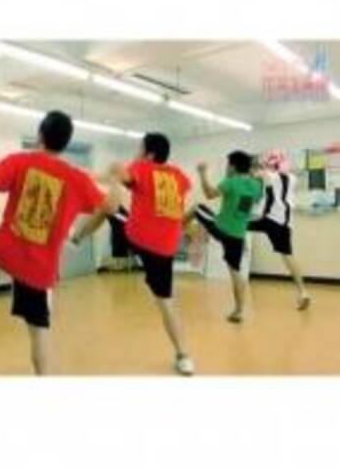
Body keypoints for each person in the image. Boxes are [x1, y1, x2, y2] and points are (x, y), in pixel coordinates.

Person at [0, 110, 117, 375]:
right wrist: (114, 181)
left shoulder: (21, 161)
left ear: (40, 134)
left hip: (6, 252)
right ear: (65, 143)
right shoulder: (77, 179)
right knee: (39, 333)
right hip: (39, 272)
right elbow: (111, 207)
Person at [80, 132, 195, 376]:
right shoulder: (179, 176)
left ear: (149, 154)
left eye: (139, 148)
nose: (136, 152)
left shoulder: (141, 167)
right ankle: (184, 356)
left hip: (139, 237)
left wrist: (102, 172)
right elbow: (178, 191)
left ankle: (76, 239)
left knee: (108, 207)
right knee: (166, 303)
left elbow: (116, 176)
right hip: (166, 248)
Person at [186, 151, 264, 324]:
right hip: (238, 235)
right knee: (236, 272)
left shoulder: (231, 182)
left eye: (228, 165)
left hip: (221, 229)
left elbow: (209, 194)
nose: (226, 168)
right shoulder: (255, 186)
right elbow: (248, 204)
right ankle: (239, 311)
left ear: (233, 166)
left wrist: (202, 173)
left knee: (197, 208)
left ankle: (176, 227)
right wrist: (253, 175)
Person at [248, 150, 310, 310]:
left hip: (271, 220)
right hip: (285, 224)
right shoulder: (293, 178)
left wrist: (257, 170)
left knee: (238, 225)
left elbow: (257, 177)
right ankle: (303, 292)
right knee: (288, 256)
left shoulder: (269, 176)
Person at [104, 205, 131, 271]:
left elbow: (126, 219)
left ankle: (121, 265)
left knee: (119, 245)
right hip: (118, 231)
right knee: (116, 245)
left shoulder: (117, 209)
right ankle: (119, 265)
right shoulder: (110, 209)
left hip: (122, 232)